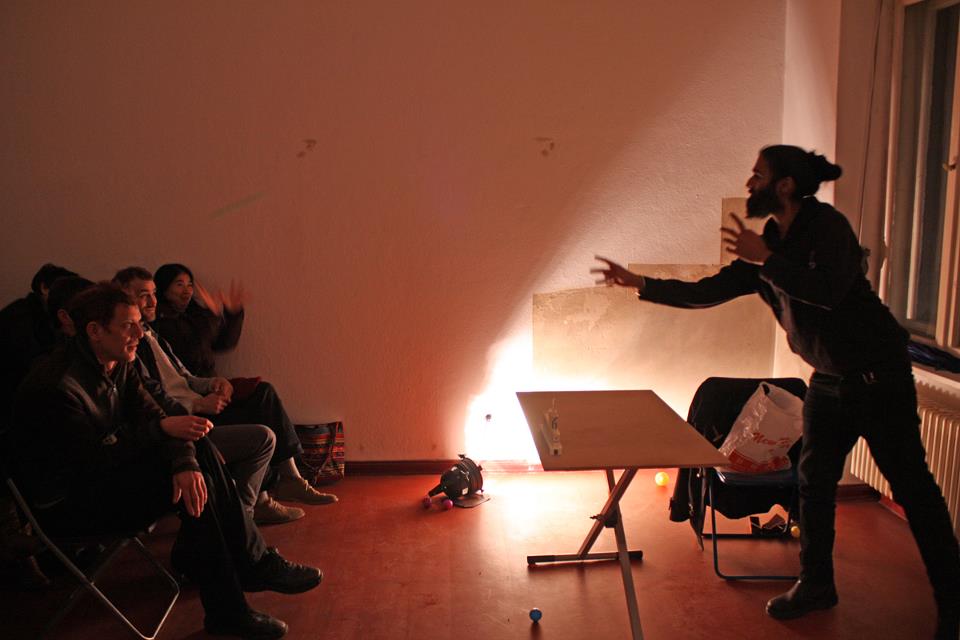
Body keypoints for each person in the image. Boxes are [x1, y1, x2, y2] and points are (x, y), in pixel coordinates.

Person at [592, 145, 960, 639]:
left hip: (879, 378)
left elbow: (828, 292)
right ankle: (816, 585)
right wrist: (639, 282)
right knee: (813, 485)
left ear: (784, 185)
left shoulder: (827, 228)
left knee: (914, 491)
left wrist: (766, 259)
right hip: (828, 379)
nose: (749, 183)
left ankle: (954, 605)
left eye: (758, 175)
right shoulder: (768, 240)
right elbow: (710, 291)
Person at [9, 282, 322, 638]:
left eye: (139, 324)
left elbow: (162, 417)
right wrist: (163, 434)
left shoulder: (116, 363)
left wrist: (184, 463)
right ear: (95, 330)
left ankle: (241, 582)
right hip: (70, 505)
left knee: (198, 459)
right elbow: (92, 461)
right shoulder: (57, 385)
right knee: (195, 483)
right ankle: (242, 582)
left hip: (107, 477)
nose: (139, 334)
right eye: (128, 325)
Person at [114, 267, 336, 522]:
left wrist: (214, 382)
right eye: (144, 295)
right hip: (187, 413)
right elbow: (157, 396)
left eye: (189, 284)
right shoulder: (148, 334)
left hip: (196, 400)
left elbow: (186, 375)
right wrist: (198, 404)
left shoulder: (154, 333)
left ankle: (289, 480)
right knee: (261, 430)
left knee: (263, 394)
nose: (152, 301)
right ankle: (252, 508)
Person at [153, 263, 244, 378]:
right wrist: (211, 315)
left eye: (190, 285)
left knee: (261, 387)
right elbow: (193, 356)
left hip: (210, 381)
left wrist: (233, 315)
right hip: (185, 384)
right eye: (179, 284)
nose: (187, 290)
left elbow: (223, 344)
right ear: (164, 289)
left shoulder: (194, 313)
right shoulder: (160, 319)